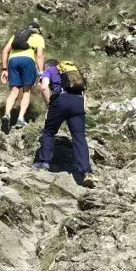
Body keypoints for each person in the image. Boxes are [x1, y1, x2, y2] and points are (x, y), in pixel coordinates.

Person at [33, 59, 96, 188]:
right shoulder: (74, 71)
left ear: (49, 65)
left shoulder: (49, 70)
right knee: (79, 137)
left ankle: (44, 162)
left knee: (49, 131)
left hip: (60, 100)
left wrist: (49, 104)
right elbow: (83, 92)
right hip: (78, 102)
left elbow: (44, 86)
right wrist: (83, 107)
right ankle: (86, 172)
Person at [0, 21, 45, 133]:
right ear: (38, 30)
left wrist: (4, 69)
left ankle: (6, 115)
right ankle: (20, 119)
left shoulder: (16, 35)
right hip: (27, 61)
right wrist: (41, 72)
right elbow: (39, 56)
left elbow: (5, 51)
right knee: (26, 91)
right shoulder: (38, 37)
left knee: (13, 92)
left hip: (12, 61)